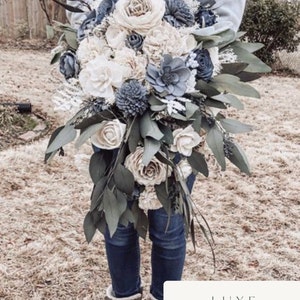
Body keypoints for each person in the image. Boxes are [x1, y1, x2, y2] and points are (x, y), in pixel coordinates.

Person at [64, 1, 246, 299]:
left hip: (181, 100)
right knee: (117, 219)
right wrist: (95, 35)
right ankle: (124, 294)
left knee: (168, 227)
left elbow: (224, 17)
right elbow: (79, 8)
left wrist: (192, 51)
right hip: (109, 90)